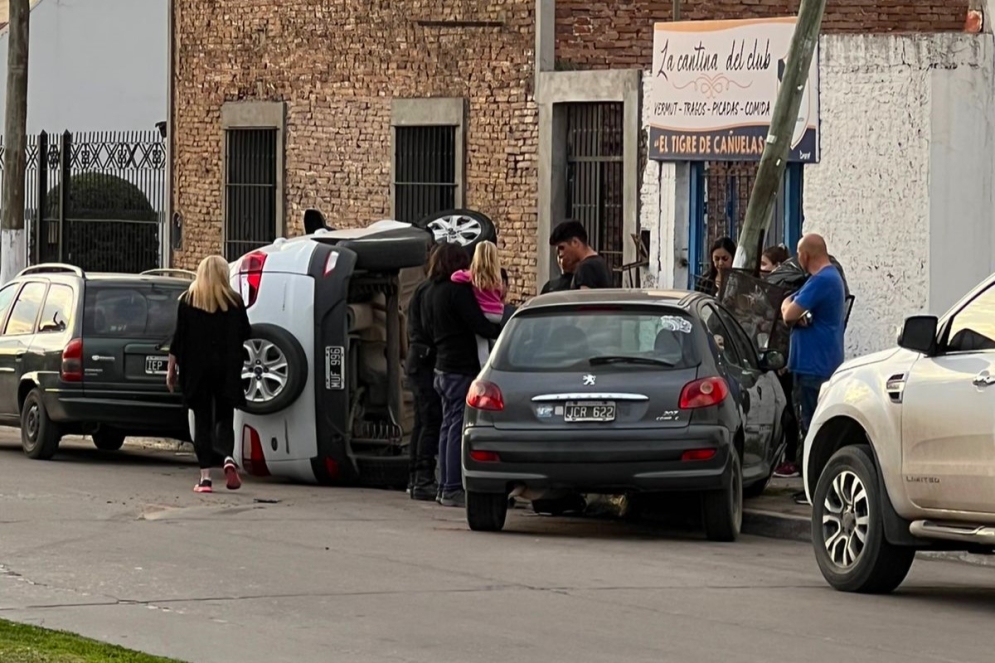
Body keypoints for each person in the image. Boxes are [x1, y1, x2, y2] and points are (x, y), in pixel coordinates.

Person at [424, 243, 502, 507]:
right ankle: (453, 488)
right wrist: (501, 331)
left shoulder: (431, 292)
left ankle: (443, 485)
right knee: (457, 427)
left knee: (447, 426)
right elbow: (478, 323)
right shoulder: (457, 291)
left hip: (441, 367)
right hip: (460, 367)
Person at [167, 255, 251, 494]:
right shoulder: (234, 302)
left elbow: (178, 339)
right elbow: (246, 332)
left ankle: (205, 479)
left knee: (202, 421)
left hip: (196, 371)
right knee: (225, 417)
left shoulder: (188, 300)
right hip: (227, 369)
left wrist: (171, 370)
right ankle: (227, 458)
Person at [780, 234, 846, 478]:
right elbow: (793, 308)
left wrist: (790, 308)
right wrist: (795, 311)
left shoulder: (821, 280)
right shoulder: (825, 279)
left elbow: (788, 313)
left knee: (810, 427)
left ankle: (814, 482)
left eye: (798, 254)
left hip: (813, 366)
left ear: (805, 255)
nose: (798, 259)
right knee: (812, 425)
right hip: (818, 363)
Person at [405, 245, 443, 501]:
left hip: (417, 359)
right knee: (430, 420)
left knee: (421, 420)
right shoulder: (431, 291)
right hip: (425, 360)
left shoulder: (421, 289)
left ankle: (415, 477)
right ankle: (423, 479)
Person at [451, 240, 504, 367]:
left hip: (484, 312)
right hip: (497, 314)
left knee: (481, 343)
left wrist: (464, 271)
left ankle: (484, 366)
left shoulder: (473, 276)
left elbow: (454, 277)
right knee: (493, 341)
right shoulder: (497, 277)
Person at [548, 220, 613, 289]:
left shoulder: (586, 268)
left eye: (562, 247)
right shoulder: (600, 263)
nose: (560, 254)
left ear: (575, 242)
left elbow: (585, 295)